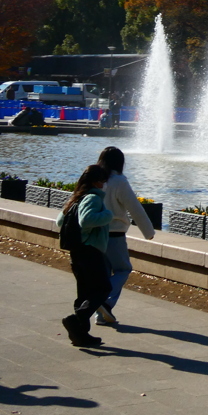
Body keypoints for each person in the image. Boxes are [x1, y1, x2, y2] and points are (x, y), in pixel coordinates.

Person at [95, 147, 155, 325]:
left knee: (104, 274)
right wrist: (148, 232)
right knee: (123, 269)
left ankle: (101, 315)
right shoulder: (119, 181)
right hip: (115, 234)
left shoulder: (97, 179)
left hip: (97, 233)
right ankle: (105, 302)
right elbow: (134, 207)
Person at [56, 164, 112, 347]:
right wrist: (108, 215)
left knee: (84, 293)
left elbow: (59, 221)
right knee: (103, 288)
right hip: (91, 250)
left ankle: (80, 335)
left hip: (77, 251)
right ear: (96, 181)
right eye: (103, 181)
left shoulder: (75, 198)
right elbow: (86, 220)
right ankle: (76, 319)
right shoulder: (93, 198)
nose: (104, 185)